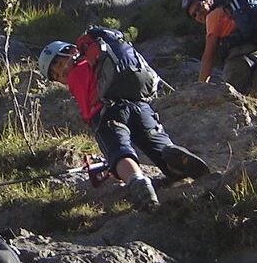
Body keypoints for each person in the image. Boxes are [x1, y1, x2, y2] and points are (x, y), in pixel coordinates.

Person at [39, 37, 210, 211]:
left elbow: (88, 112)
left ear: (72, 51)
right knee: (155, 141)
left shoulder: (76, 75)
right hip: (139, 105)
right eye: (58, 76)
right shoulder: (101, 61)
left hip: (108, 112)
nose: (63, 74)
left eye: (60, 66)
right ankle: (170, 154)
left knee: (118, 151)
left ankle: (138, 182)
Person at [182, 0, 257, 103]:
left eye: (199, 7)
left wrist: (201, 85)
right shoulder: (232, 12)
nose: (198, 14)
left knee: (226, 98)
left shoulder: (214, 15)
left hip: (239, 58)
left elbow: (209, 54)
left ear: (209, 1)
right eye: (194, 15)